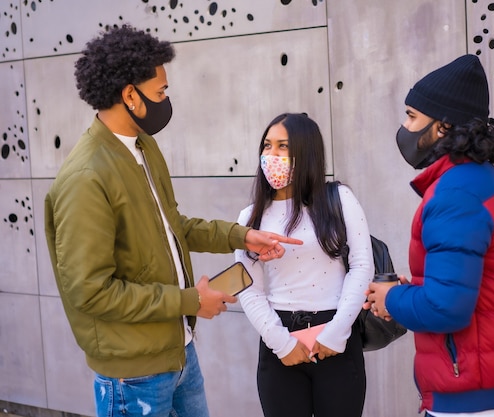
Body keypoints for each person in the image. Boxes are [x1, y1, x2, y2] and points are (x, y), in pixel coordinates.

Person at [43, 25, 301, 417]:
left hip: (178, 352)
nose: (166, 99)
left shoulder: (143, 147)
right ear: (130, 94)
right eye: (161, 91)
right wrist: (190, 301)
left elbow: (171, 225)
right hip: (133, 378)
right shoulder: (85, 178)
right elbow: (91, 292)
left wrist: (241, 236)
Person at [364, 54, 494, 417]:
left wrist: (391, 299)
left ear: (442, 127)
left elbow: (445, 309)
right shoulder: (485, 184)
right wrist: (405, 295)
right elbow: (475, 292)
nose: (404, 127)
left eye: (411, 116)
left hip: (479, 396)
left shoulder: (455, 196)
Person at [235, 113, 375, 417]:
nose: (271, 155)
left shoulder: (338, 198)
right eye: (267, 146)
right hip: (279, 341)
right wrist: (280, 342)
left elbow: (362, 265)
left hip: (337, 337)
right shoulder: (250, 217)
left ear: (305, 152)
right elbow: (248, 287)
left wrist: (337, 332)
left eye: (282, 146)